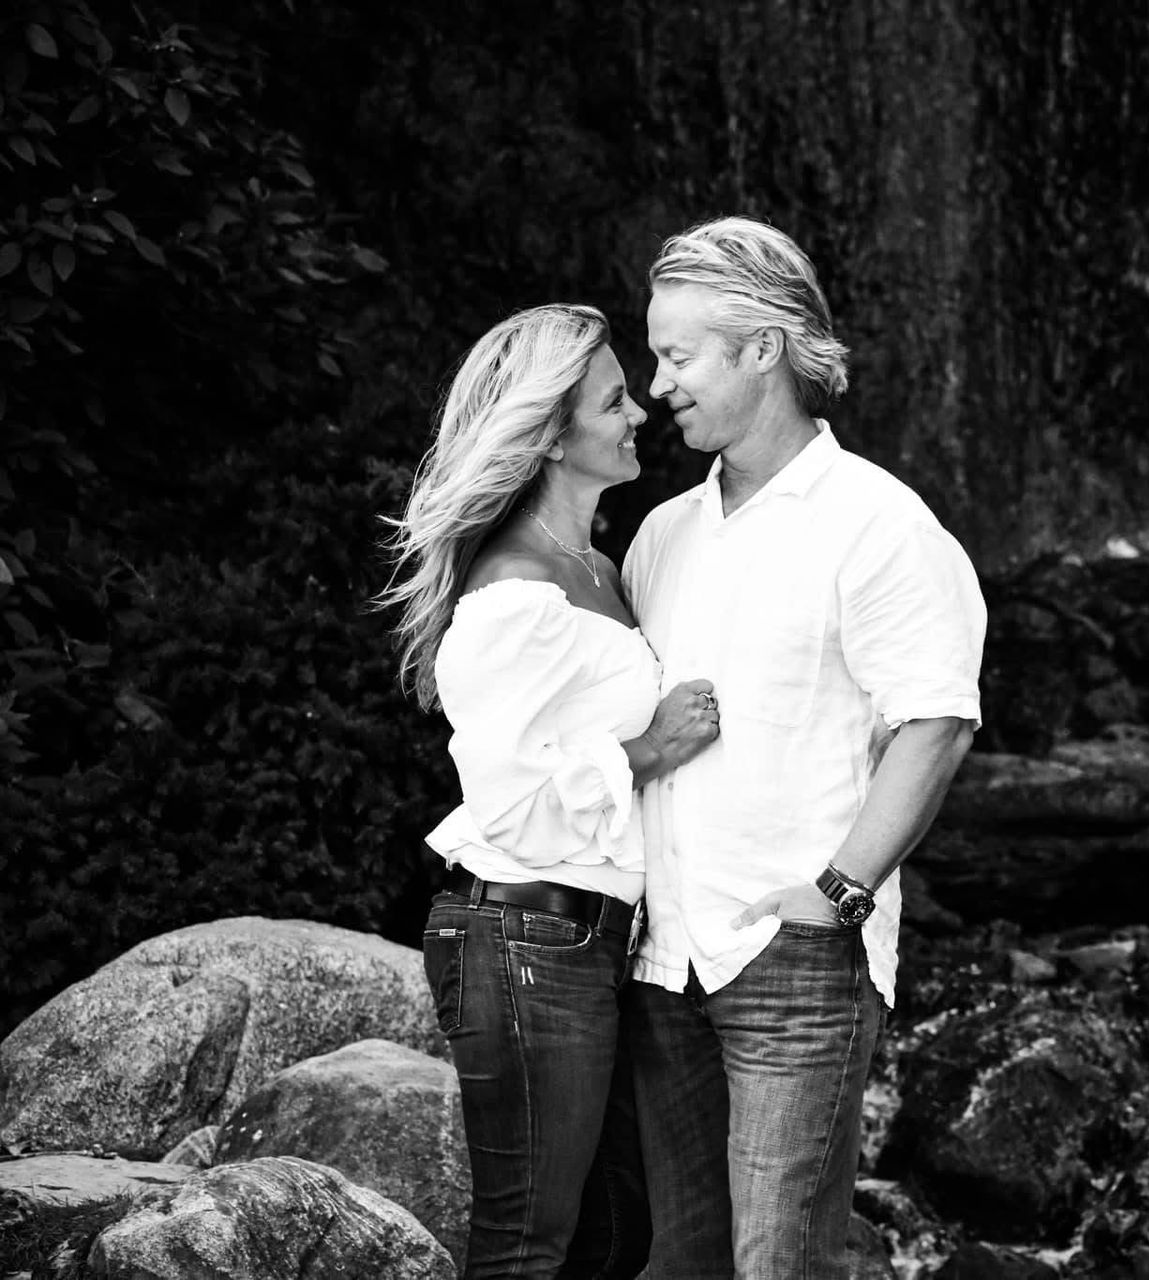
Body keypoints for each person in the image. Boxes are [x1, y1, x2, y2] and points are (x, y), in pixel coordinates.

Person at [621, 217, 988, 1278]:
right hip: (663, 959)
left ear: (763, 348)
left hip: (796, 959)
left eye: (680, 355)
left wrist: (839, 889)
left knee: (782, 1260)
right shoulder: (662, 537)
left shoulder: (879, 523)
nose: (657, 385)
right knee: (680, 1263)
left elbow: (938, 718)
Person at [380, 303, 722, 1280]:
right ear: (551, 434)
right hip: (523, 936)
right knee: (527, 1245)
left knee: (616, 1234)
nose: (638, 414)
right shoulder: (514, 595)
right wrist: (651, 749)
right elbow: (511, 797)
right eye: (614, 399)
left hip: (584, 941)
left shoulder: (599, 569)